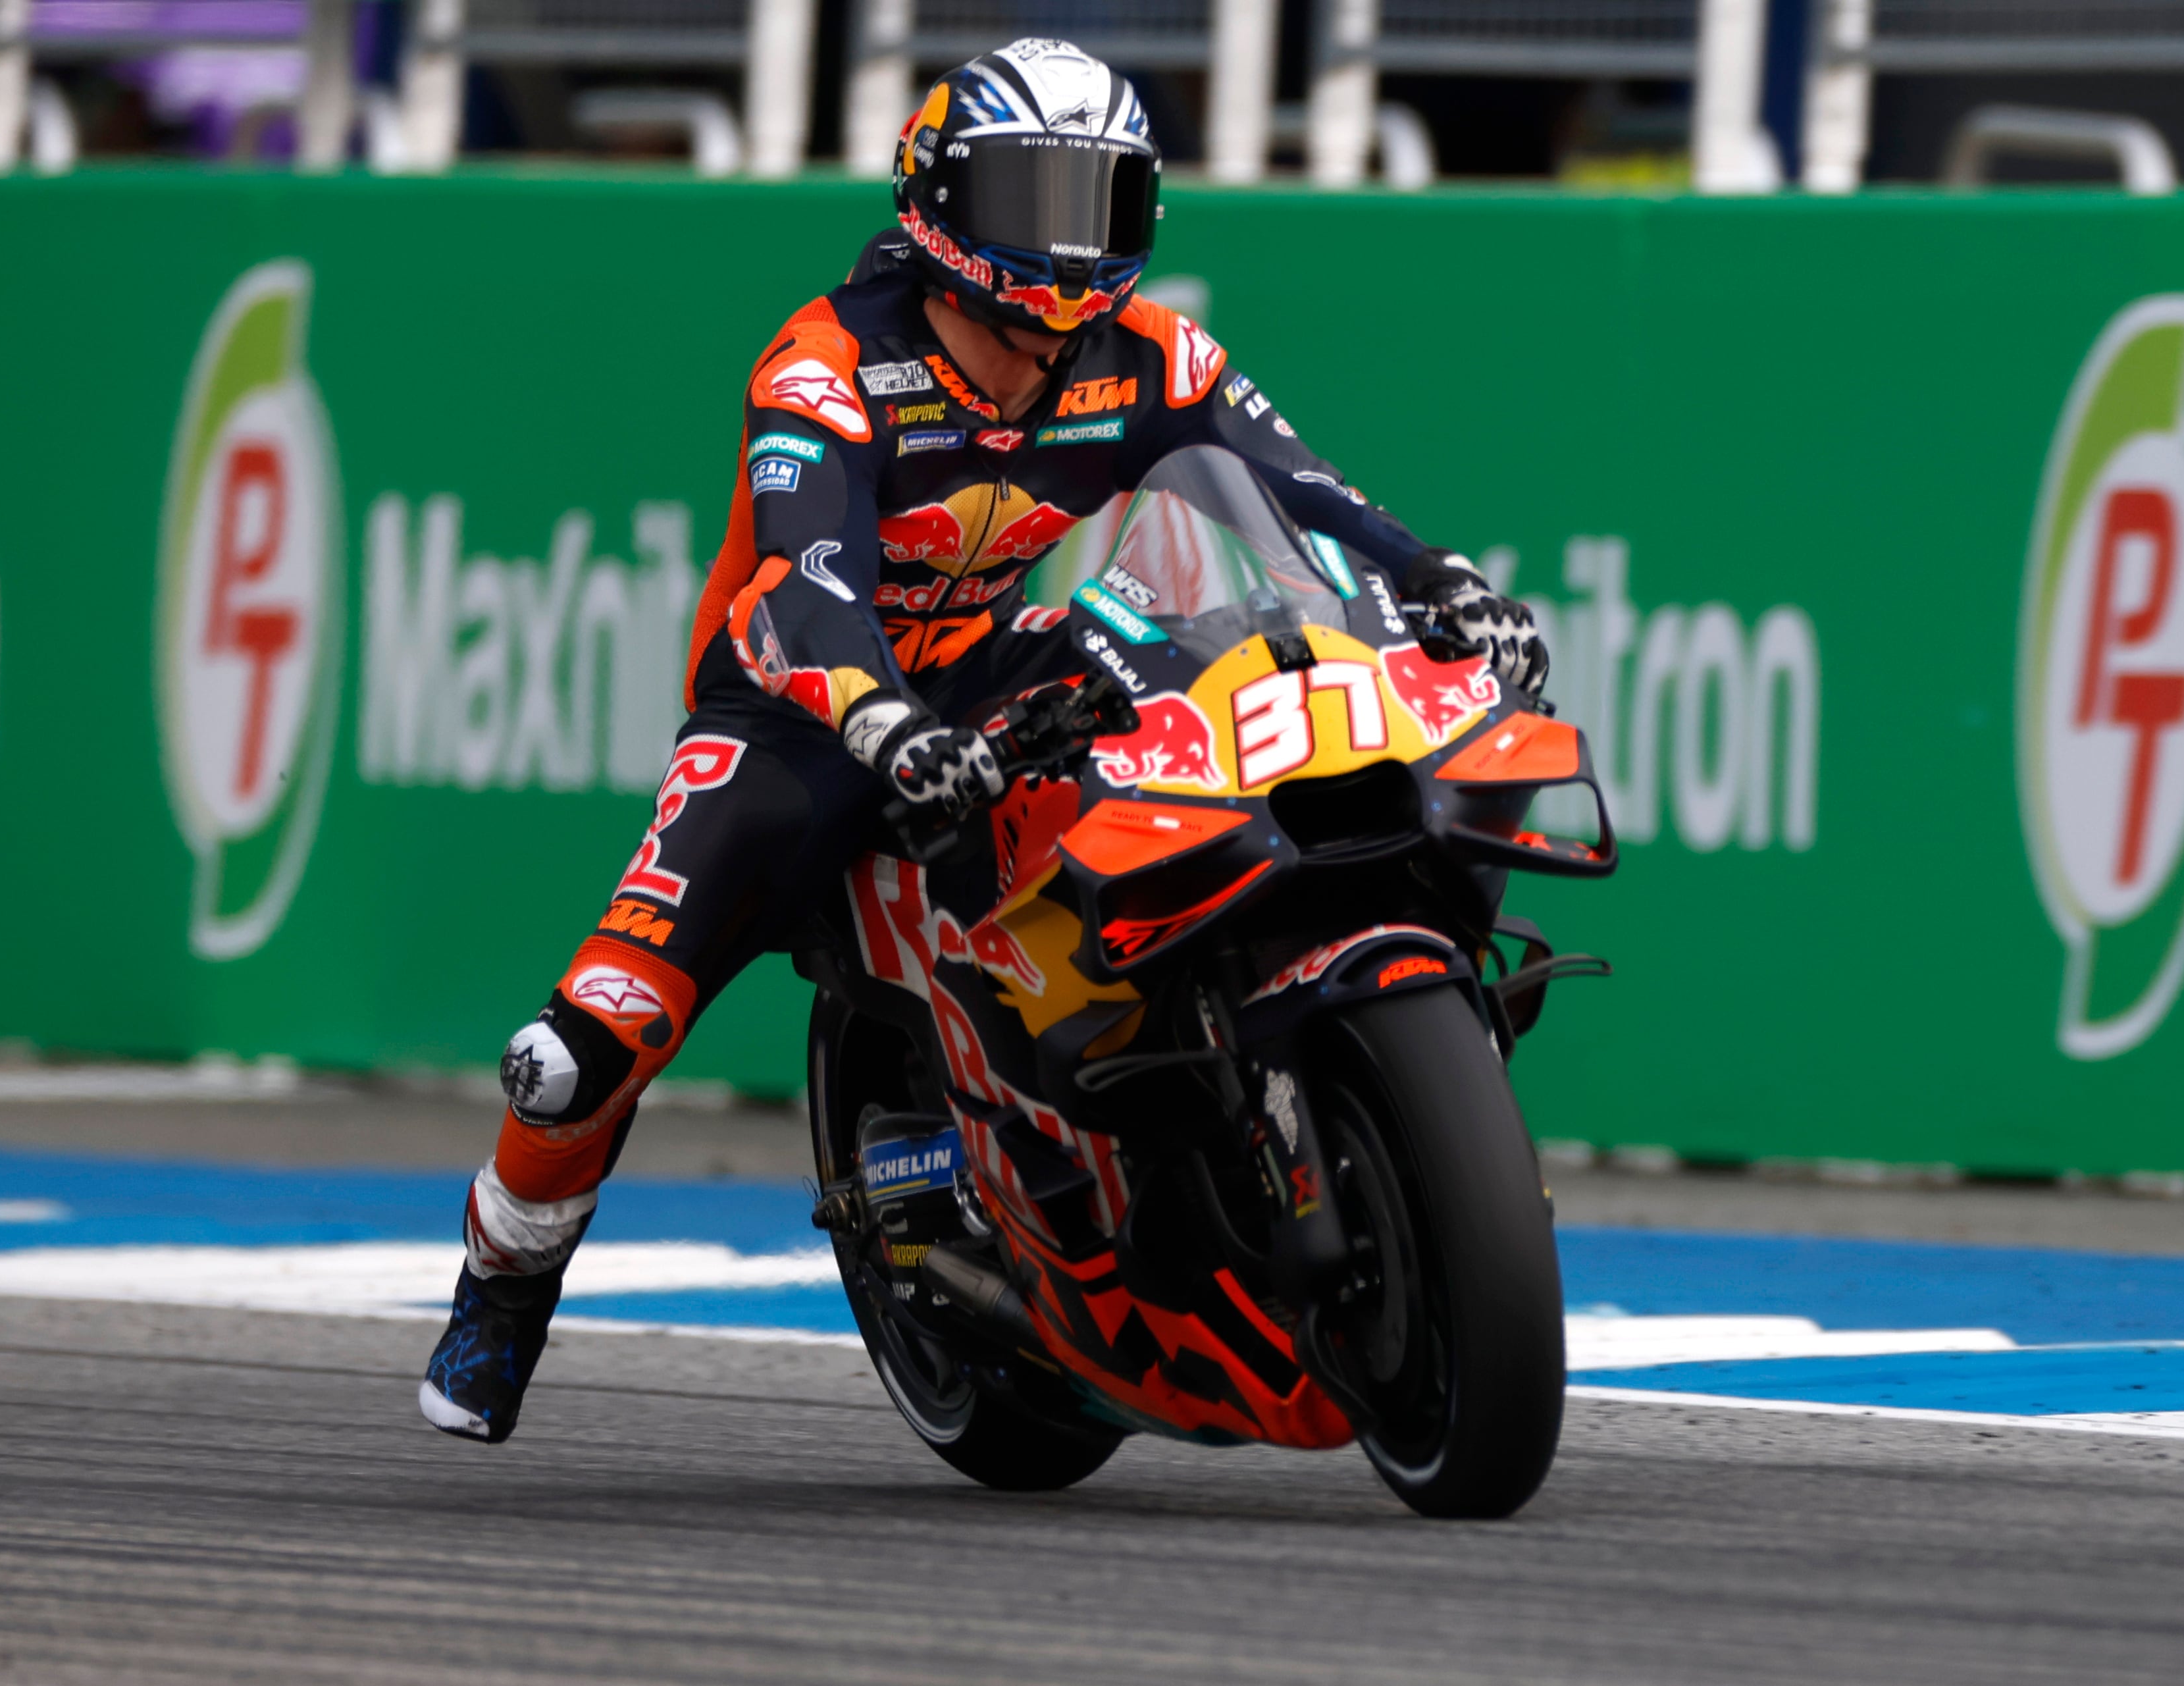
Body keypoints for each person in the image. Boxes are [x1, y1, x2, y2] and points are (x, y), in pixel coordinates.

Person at [419, 36, 1548, 1444]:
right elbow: (802, 581)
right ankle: (501, 1294)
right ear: (938, 202)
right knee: (590, 1042)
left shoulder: (1155, 354)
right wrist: (881, 722)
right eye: (1034, 202)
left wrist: (1443, 584)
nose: (1071, 252)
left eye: (1103, 204)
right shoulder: (829, 366)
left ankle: (1212, 1074)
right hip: (805, 710)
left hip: (1001, 671)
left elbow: (1313, 496)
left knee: (1235, 706)